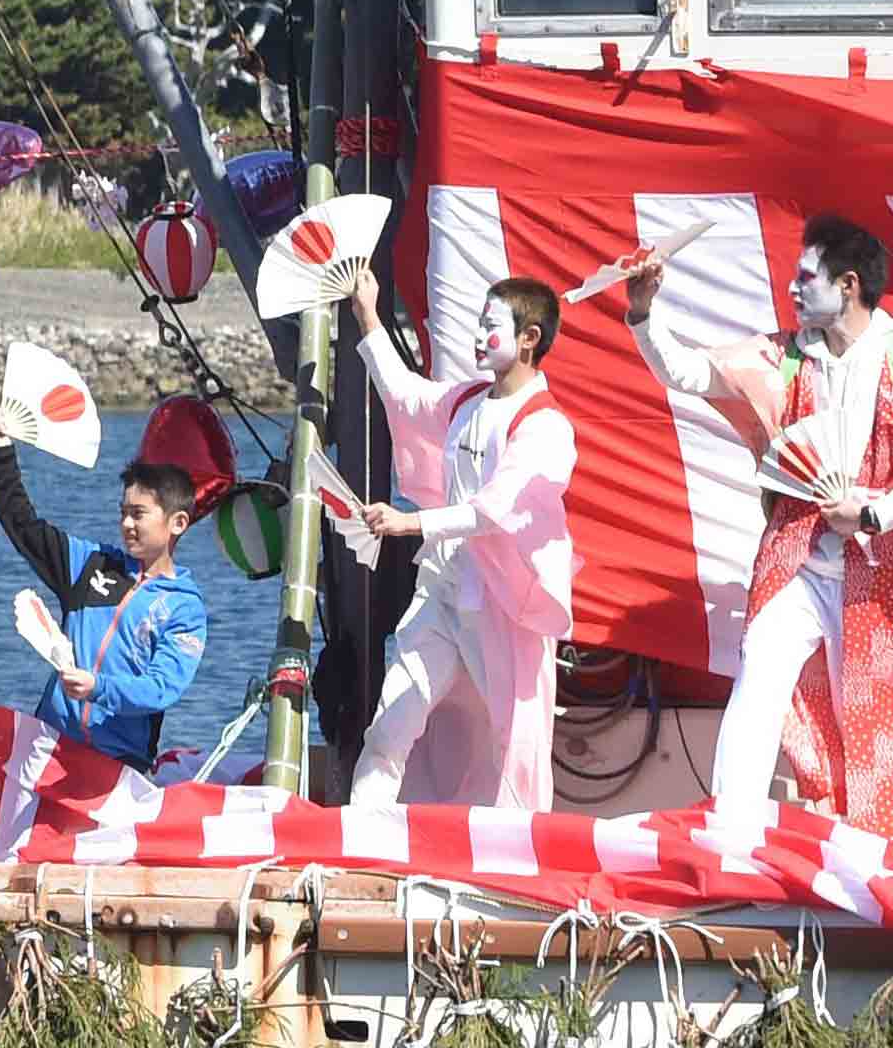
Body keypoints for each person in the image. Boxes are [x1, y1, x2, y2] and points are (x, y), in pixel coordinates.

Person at [632, 217, 893, 830]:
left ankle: (871, 854)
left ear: (849, 284)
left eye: (807, 278)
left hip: (877, 572)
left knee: (868, 711)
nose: (793, 289)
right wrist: (645, 314)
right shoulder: (782, 356)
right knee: (758, 684)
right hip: (797, 557)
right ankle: (728, 830)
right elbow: (690, 374)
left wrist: (874, 512)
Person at [326, 260, 574, 809]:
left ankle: (516, 861)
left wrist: (409, 522)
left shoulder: (546, 425)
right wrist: (368, 314)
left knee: (516, 743)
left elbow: (493, 510)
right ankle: (362, 838)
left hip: (501, 602)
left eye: (492, 324)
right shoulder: (467, 400)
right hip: (443, 586)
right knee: (393, 720)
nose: (476, 336)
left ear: (529, 339)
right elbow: (405, 395)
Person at [0, 443, 212, 769]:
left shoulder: (183, 608)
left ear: (178, 523)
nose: (127, 524)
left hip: (120, 764)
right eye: (123, 513)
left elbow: (160, 689)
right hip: (49, 747)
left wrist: (98, 687)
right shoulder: (90, 565)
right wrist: (2, 452)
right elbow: (22, 523)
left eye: (138, 514)